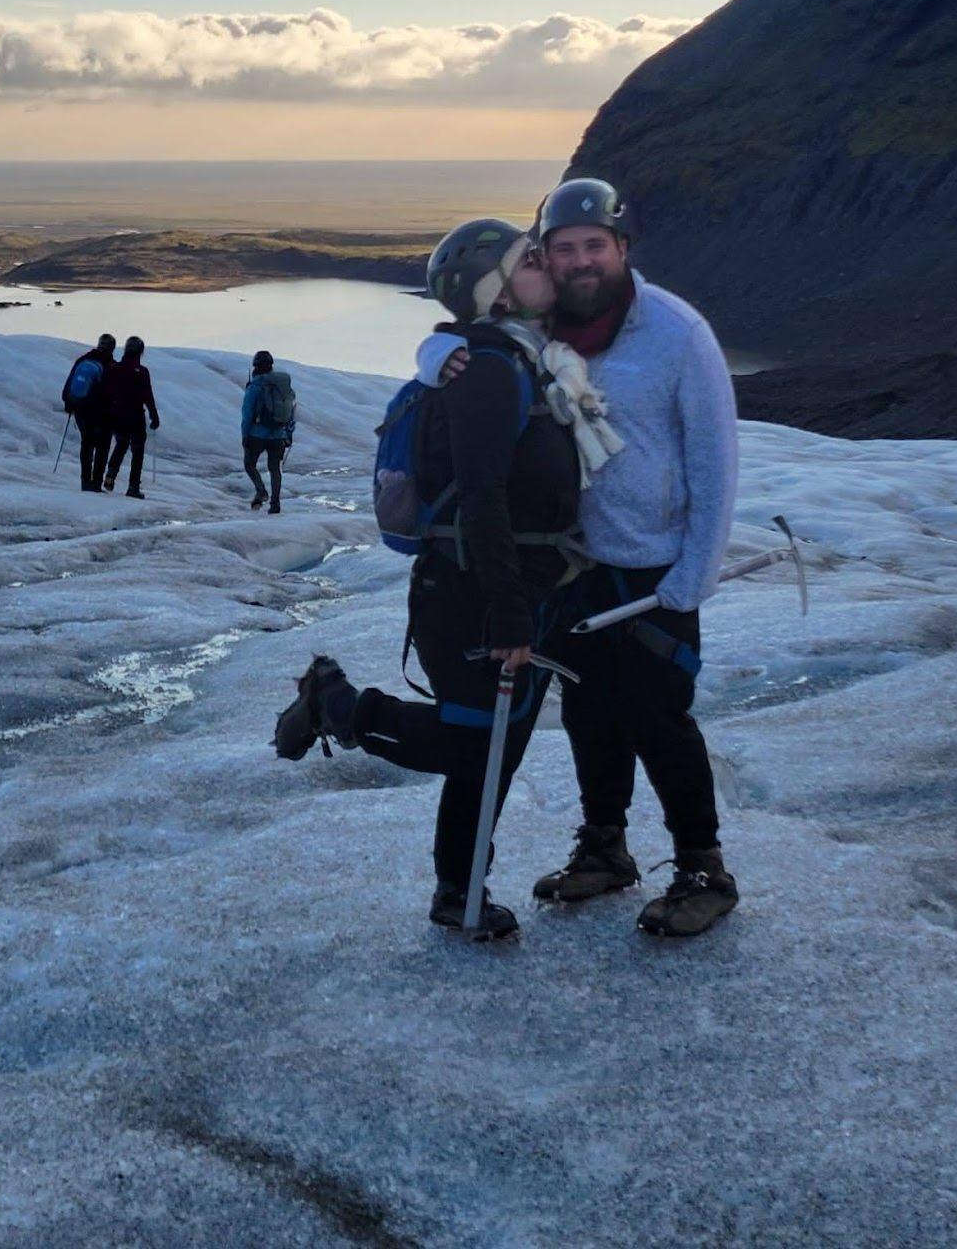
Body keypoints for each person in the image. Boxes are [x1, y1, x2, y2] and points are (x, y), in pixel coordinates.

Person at [417, 178, 740, 937]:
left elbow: (715, 459)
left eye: (595, 245)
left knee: (660, 718)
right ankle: (605, 847)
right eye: (563, 249)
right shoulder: (548, 323)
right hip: (573, 567)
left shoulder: (676, 333)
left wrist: (693, 578)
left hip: (656, 569)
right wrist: (437, 354)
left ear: (623, 248)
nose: (580, 261)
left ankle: (703, 868)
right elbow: (474, 333)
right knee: (591, 714)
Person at [270, 219, 585, 938]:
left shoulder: (524, 357)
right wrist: (507, 609)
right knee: (474, 744)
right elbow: (482, 495)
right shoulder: (489, 372)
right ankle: (336, 706)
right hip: (472, 595)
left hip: (520, 589)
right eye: (527, 260)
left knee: (496, 752)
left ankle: (458, 890)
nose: (543, 265)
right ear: (496, 293)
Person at [101, 336, 161, 498]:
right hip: (135, 416)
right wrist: (154, 415)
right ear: (140, 351)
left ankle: (110, 477)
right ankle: (133, 487)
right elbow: (147, 396)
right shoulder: (142, 372)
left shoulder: (114, 368)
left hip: (116, 415)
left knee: (121, 444)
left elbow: (106, 391)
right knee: (137, 450)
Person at [241, 350, 296, 514]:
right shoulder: (283, 387)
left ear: (255, 367)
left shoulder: (255, 387)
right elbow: (291, 411)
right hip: (278, 434)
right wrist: (288, 435)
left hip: (257, 434)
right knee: (275, 469)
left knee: (249, 464)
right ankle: (275, 505)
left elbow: (247, 413)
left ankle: (261, 491)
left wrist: (245, 435)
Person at [61, 334, 117, 492]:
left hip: (81, 410)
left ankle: (85, 482)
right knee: (102, 447)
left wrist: (69, 403)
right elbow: (111, 392)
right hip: (102, 413)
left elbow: (69, 384)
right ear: (112, 348)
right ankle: (96, 483)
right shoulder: (110, 365)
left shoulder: (83, 360)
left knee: (86, 444)